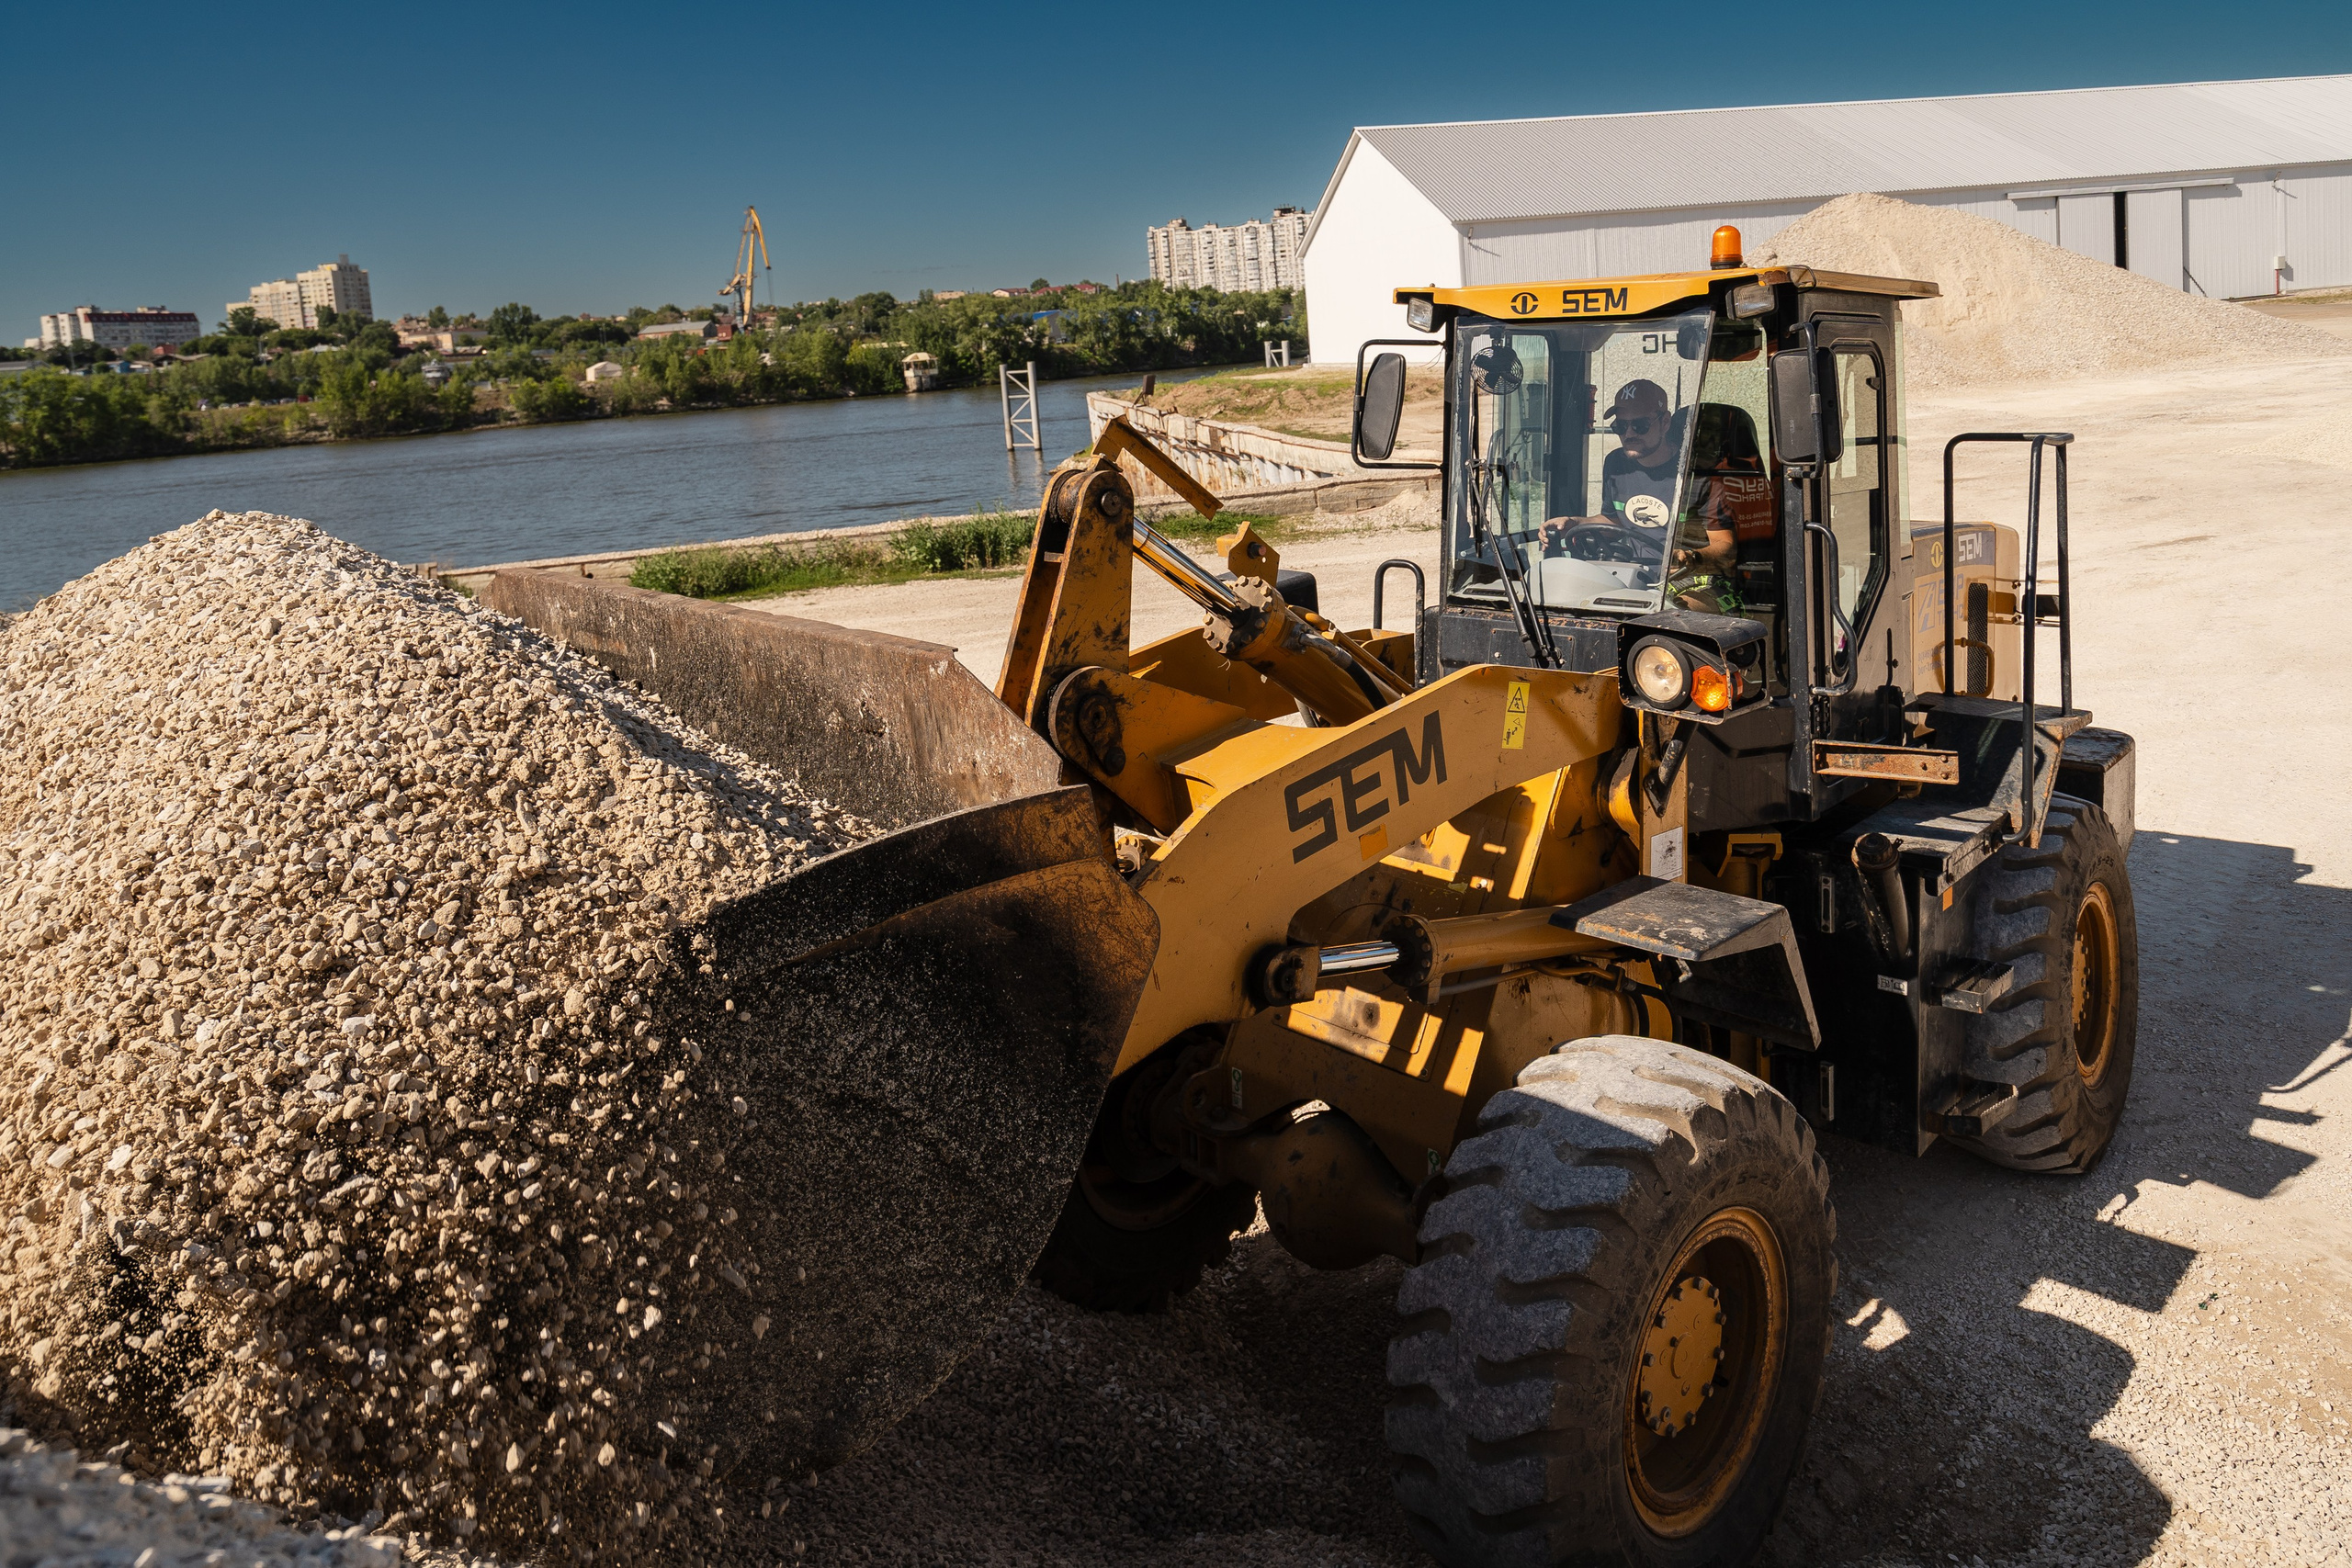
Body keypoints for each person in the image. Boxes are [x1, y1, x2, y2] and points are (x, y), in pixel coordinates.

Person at [1541, 378, 1737, 610]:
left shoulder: (1699, 473)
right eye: (1620, 426)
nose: (1629, 434)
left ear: (1665, 422)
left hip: (1698, 579)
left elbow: (1726, 547)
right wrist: (1573, 523)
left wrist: (1691, 558)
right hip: (1638, 574)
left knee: (1671, 617)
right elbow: (1614, 521)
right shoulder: (1616, 464)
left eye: (1640, 425)